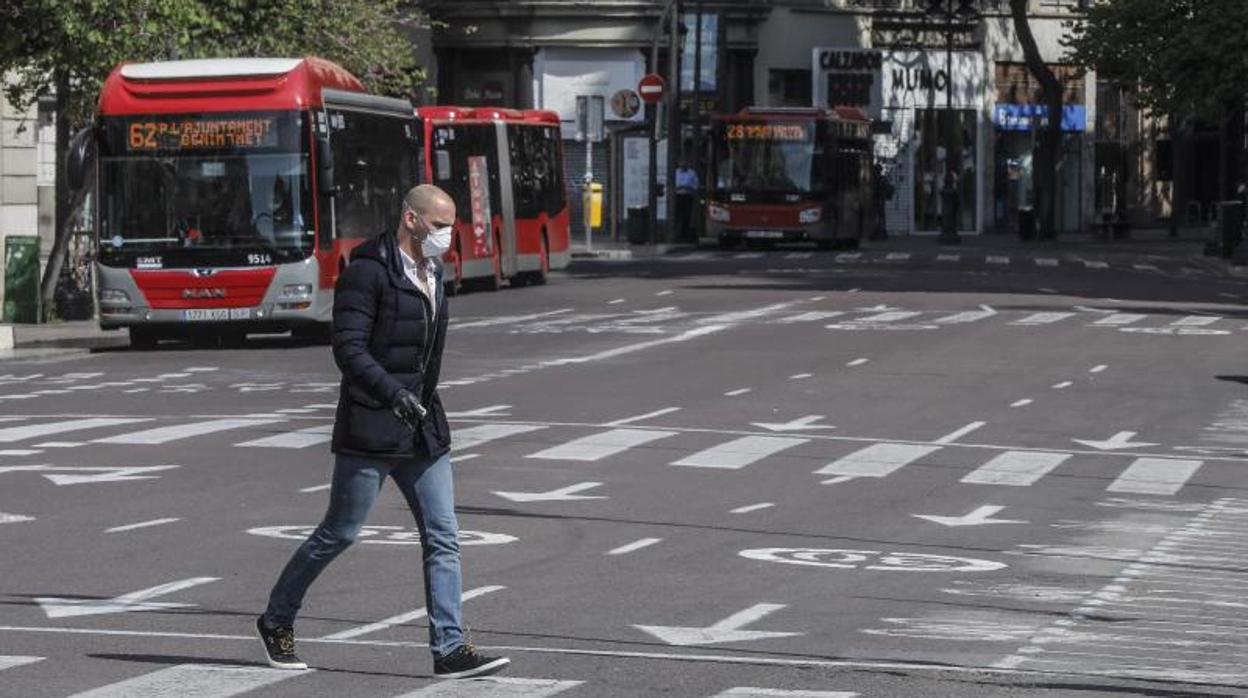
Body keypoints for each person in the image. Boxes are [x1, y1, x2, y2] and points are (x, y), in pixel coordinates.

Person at [256, 184, 510, 680]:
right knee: (340, 532)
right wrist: (393, 394)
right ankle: (276, 618)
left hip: (421, 427)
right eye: (438, 226)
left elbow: (428, 355)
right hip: (373, 424)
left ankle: (449, 648)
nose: (446, 236)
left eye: (450, 227)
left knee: (443, 536)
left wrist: (422, 405)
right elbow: (349, 349)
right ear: (410, 219)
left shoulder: (434, 273)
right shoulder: (367, 272)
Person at [675, 159, 700, 242]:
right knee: (676, 215)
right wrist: (678, 187)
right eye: (681, 162)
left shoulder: (692, 173)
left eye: (685, 162)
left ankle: (684, 235)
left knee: (686, 216)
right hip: (677, 196)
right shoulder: (675, 172)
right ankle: (676, 234)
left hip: (687, 196)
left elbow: (696, 185)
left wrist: (689, 188)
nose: (683, 163)